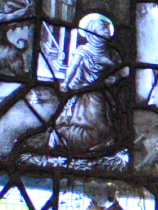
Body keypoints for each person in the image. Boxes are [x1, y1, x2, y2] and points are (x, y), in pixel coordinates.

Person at [48, 12, 126, 158]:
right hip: (86, 90)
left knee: (106, 126)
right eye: (104, 29)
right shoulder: (84, 50)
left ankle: (96, 146)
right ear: (93, 31)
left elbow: (121, 70)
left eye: (108, 29)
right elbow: (72, 67)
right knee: (97, 128)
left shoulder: (111, 52)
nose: (108, 31)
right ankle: (62, 136)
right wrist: (66, 82)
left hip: (105, 90)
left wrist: (108, 63)